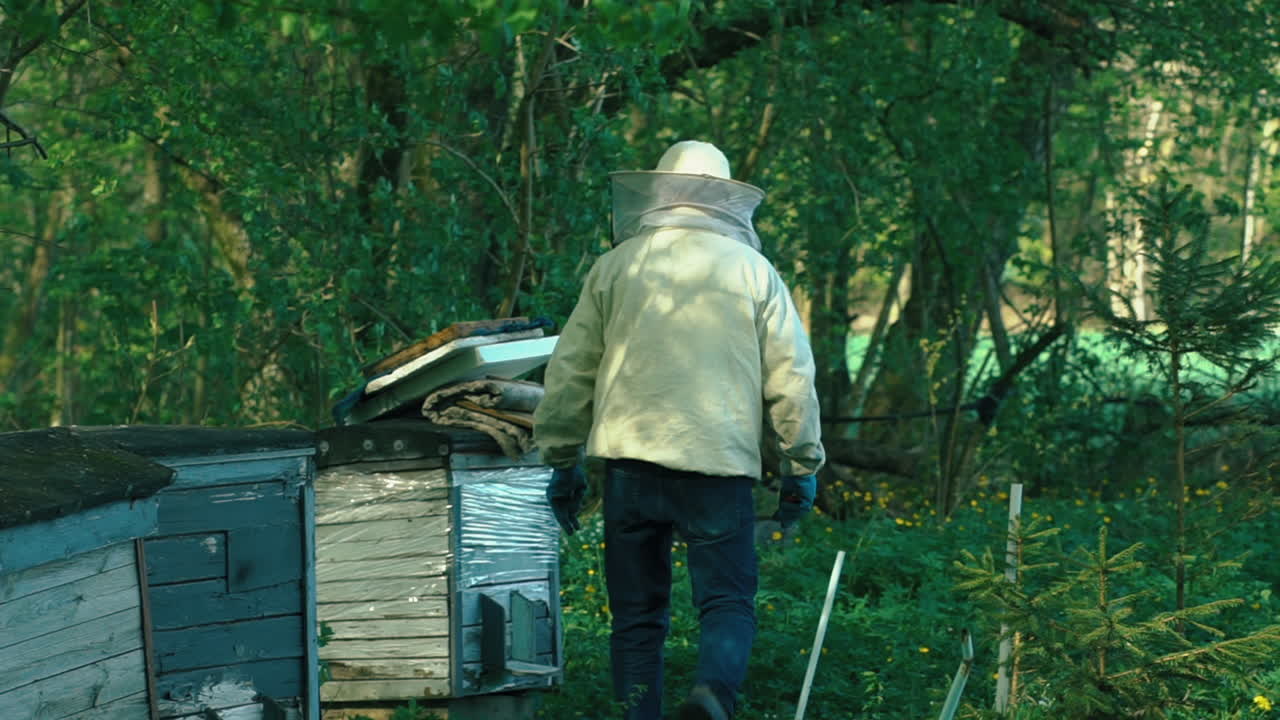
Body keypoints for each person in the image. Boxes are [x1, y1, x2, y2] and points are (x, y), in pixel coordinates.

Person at [533, 140, 825, 720]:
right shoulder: (753, 271)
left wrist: (561, 458)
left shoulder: (617, 266)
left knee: (637, 615)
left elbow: (570, 370)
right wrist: (801, 465)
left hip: (630, 465)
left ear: (660, 194)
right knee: (726, 600)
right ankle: (712, 697)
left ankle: (639, 711)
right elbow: (792, 379)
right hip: (717, 466)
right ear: (724, 200)